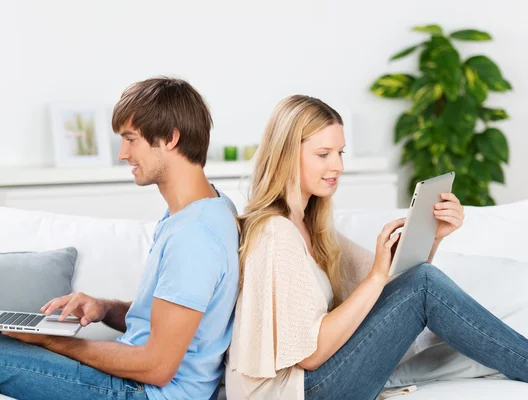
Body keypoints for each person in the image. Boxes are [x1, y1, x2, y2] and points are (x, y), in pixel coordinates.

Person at [0, 77, 240, 400]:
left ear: (171, 138)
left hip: (142, 392)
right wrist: (105, 308)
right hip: (136, 383)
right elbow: (169, 320)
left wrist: (55, 341)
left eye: (131, 139)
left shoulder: (196, 236)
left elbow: (157, 366)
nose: (122, 154)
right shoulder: (196, 212)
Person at [225, 94, 528, 400]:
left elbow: (401, 290)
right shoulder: (275, 233)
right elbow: (311, 355)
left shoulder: (311, 226)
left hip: (313, 383)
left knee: (422, 281)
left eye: (340, 152)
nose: (338, 165)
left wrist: (433, 237)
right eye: (323, 154)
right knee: (424, 283)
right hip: (296, 391)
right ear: (287, 155)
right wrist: (376, 277)